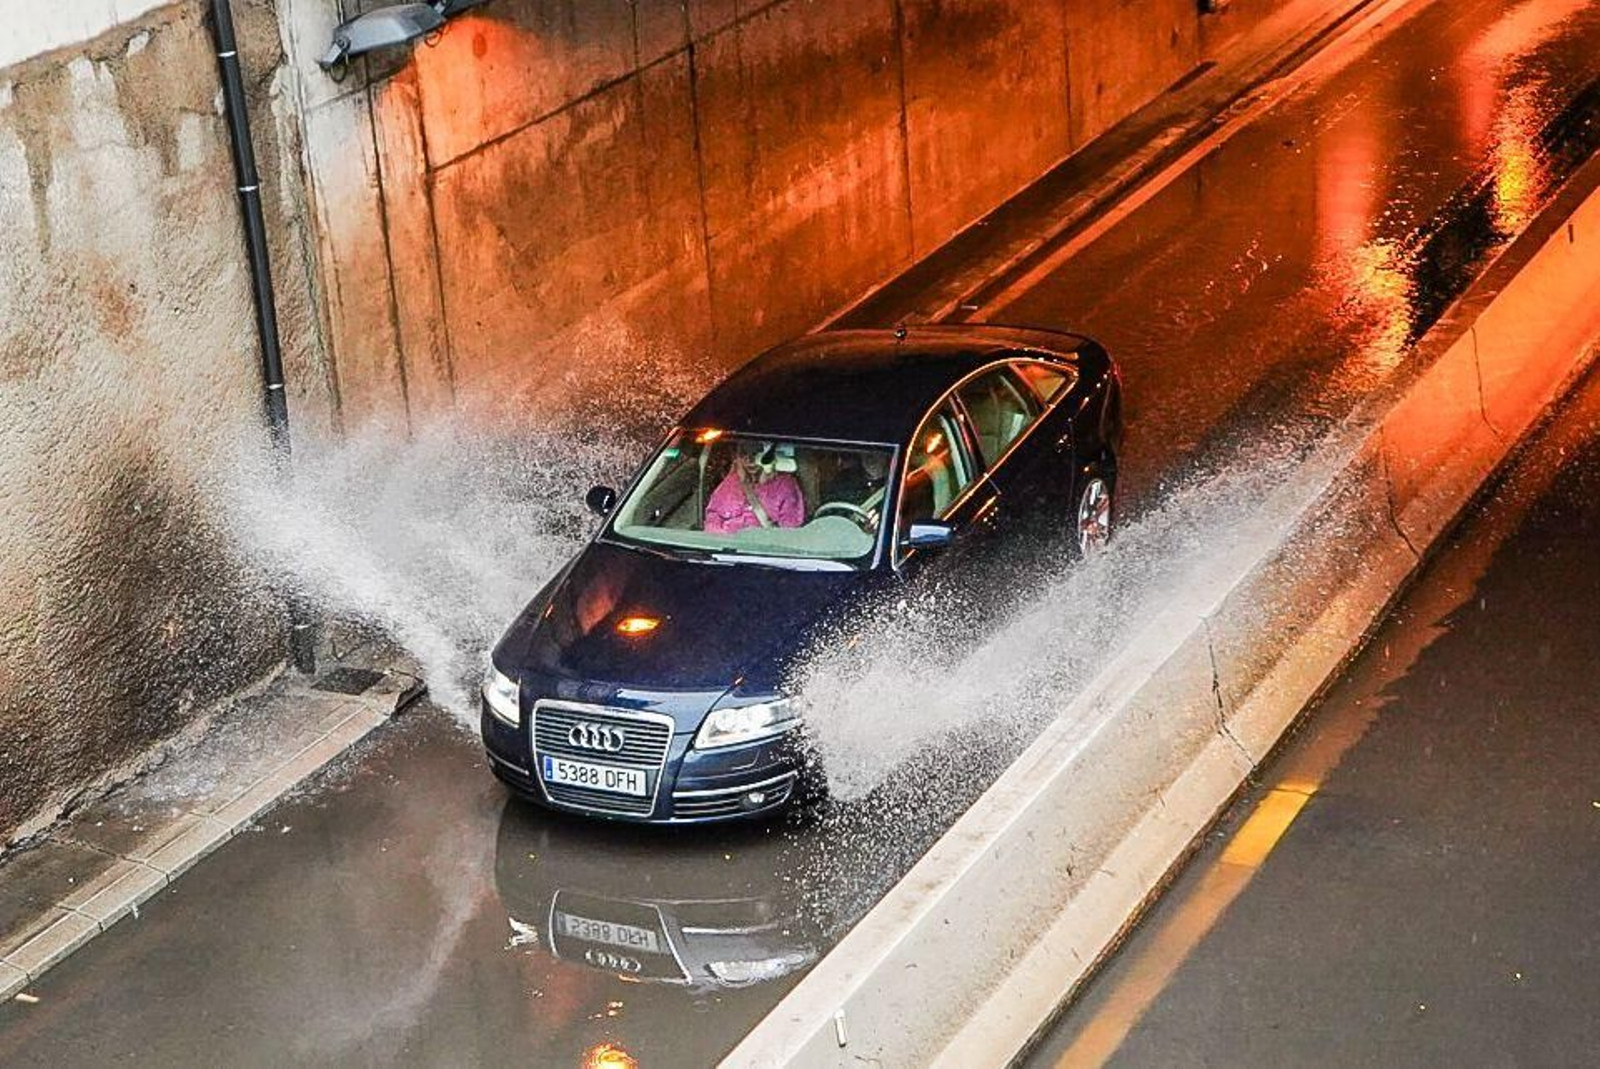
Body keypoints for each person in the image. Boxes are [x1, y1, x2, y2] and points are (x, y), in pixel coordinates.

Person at [704, 441, 806, 534]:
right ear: (737, 457)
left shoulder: (785, 485)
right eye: (744, 454)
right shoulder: (731, 482)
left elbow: (789, 533)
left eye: (755, 454)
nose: (749, 460)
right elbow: (712, 516)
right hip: (725, 548)